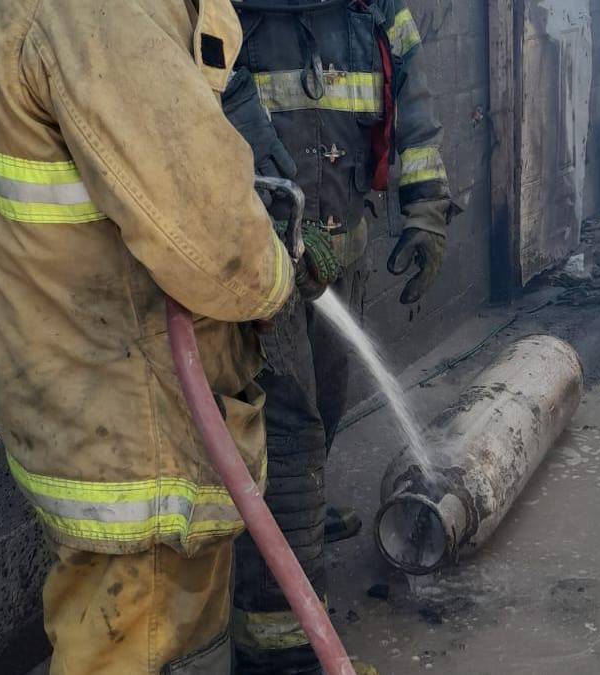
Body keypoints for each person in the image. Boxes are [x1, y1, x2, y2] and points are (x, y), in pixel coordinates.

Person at [0, 1, 302, 672]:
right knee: (137, 638)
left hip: (88, 398)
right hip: (141, 425)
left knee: (152, 635)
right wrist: (279, 275)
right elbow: (214, 237)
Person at [220, 1, 458, 672]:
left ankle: (302, 527)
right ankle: (283, 648)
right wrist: (277, 230)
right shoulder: (226, 15)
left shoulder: (373, 9)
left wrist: (427, 212)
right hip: (264, 266)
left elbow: (413, 98)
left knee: (323, 409)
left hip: (341, 253)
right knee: (285, 436)